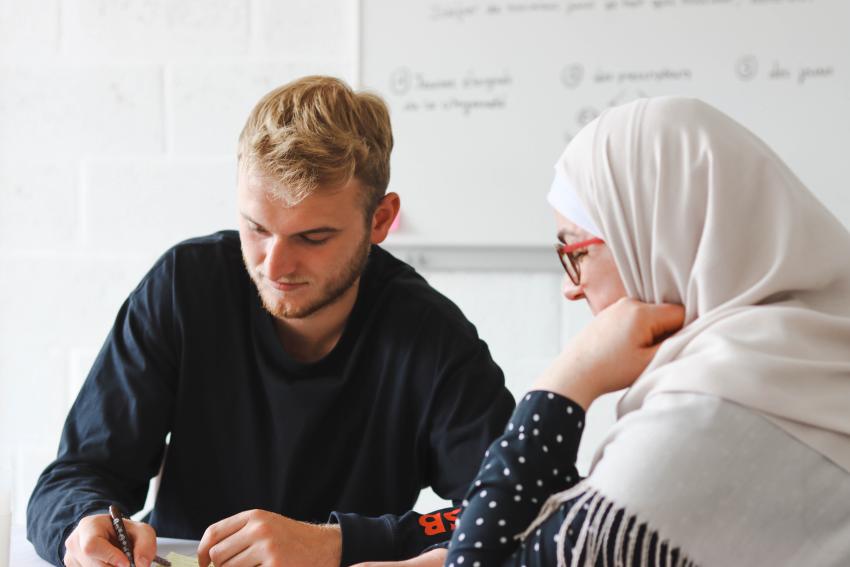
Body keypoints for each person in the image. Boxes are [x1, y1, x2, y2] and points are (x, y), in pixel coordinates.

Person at [26, 76, 515, 567]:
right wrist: (81, 525)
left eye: (314, 237)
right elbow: (73, 478)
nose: (274, 267)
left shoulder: (432, 338)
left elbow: (516, 512)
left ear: (380, 220)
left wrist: (335, 543)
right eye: (257, 228)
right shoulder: (183, 287)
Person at [357, 97, 850, 567]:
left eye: (577, 252)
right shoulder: (808, 365)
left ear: (659, 237)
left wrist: (565, 383)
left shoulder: (714, 416)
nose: (572, 289)